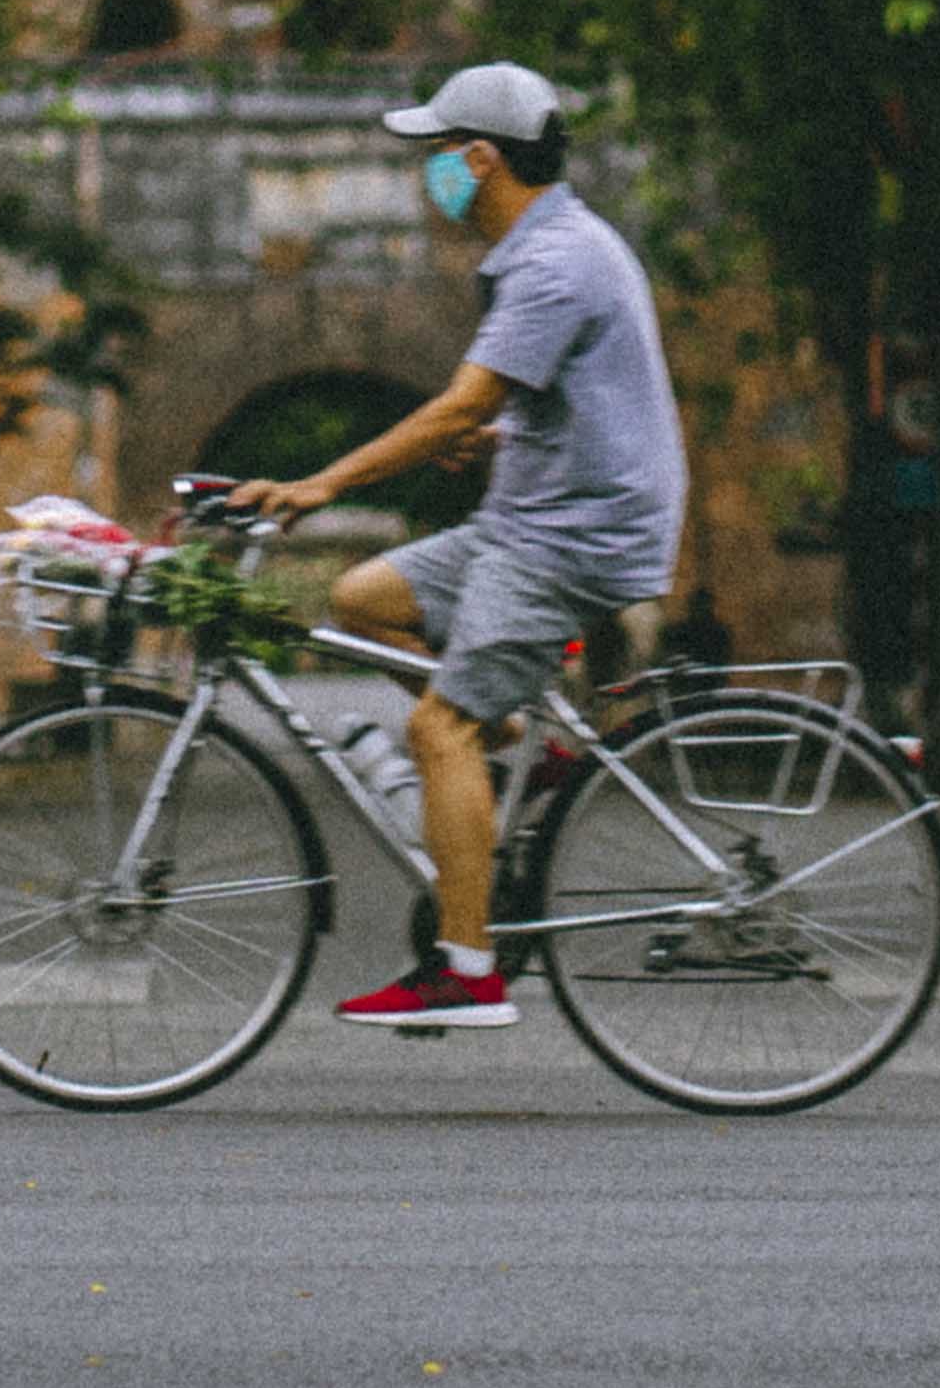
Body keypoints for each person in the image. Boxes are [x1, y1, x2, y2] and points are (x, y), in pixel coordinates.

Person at [235, 60, 684, 1033]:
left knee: (438, 730)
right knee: (362, 598)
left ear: (481, 159)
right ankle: (532, 753)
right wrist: (509, 438)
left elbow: (464, 398)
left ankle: (467, 965)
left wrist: (323, 483)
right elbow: (581, 399)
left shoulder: (555, 261)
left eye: (439, 153)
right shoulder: (546, 248)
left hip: (572, 536)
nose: (430, 172)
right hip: (534, 514)